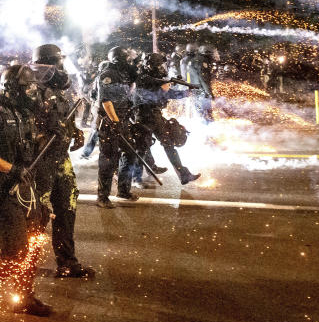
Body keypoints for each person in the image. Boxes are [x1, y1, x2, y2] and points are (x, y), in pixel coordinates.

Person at [0, 64, 50, 316]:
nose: (31, 91)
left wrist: (51, 137)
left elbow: (28, 143)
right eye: (26, 87)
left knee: (34, 243)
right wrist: (11, 169)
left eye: (32, 87)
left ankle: (24, 297)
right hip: (4, 191)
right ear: (11, 88)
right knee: (15, 252)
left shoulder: (24, 113)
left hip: (29, 189)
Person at [31, 45, 94, 279]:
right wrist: (41, 134)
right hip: (39, 161)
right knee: (36, 216)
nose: (61, 65)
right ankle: (3, 253)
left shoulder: (58, 87)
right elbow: (20, 124)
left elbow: (61, 116)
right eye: (58, 61)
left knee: (67, 209)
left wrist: (73, 130)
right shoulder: (30, 88)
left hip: (60, 157)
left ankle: (67, 262)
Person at [132, 53, 201, 185]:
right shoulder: (142, 78)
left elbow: (169, 93)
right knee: (142, 148)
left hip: (156, 116)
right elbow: (148, 97)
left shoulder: (157, 78)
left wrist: (186, 93)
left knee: (168, 144)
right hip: (143, 116)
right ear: (150, 65)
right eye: (159, 65)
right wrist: (162, 90)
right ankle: (137, 178)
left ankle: (184, 175)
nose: (161, 67)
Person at [95, 47, 138, 207]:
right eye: (126, 58)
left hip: (123, 121)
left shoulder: (123, 73)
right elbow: (106, 101)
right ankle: (102, 197)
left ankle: (123, 190)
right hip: (110, 123)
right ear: (119, 59)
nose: (129, 61)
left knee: (130, 152)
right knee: (108, 159)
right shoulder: (108, 75)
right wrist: (115, 122)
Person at [187, 46, 215, 123]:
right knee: (207, 113)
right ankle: (209, 129)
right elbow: (204, 79)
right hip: (202, 91)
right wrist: (209, 92)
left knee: (199, 112)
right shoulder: (203, 61)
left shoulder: (192, 60)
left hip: (194, 90)